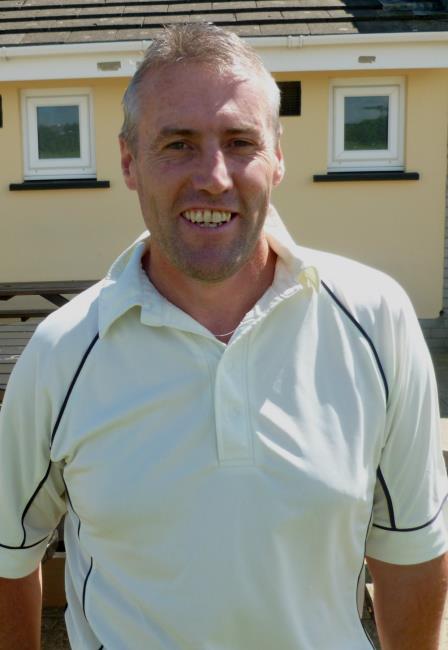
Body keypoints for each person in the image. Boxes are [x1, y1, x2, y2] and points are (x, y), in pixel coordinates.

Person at [0, 23, 447, 650]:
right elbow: (8, 556)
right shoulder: (62, 352)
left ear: (279, 158)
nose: (213, 177)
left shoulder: (376, 321)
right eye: (178, 144)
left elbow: (413, 549)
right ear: (129, 161)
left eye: (240, 142)